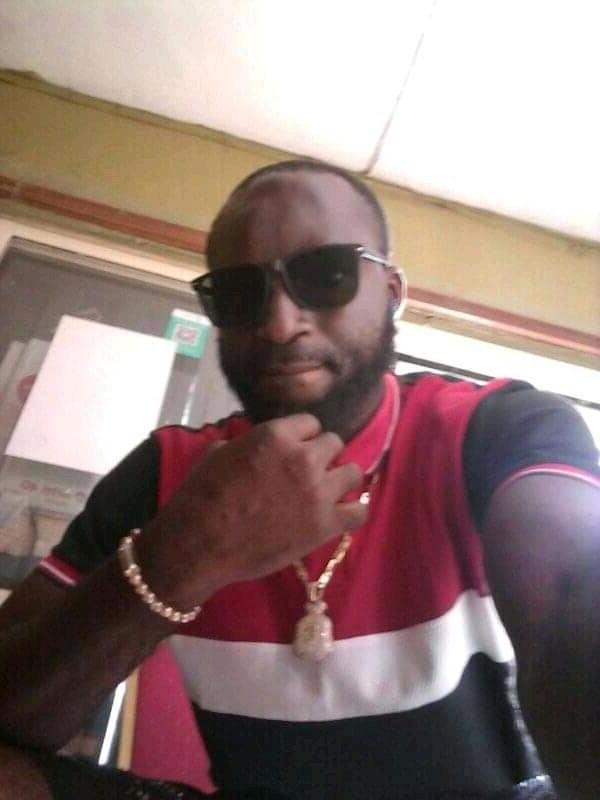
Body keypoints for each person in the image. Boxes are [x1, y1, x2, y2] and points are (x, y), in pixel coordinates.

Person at [0, 160, 599, 800]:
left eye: (326, 274)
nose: (281, 324)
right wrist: (182, 555)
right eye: (239, 292)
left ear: (392, 291)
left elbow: (569, 592)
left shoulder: (498, 431)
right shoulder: (167, 475)